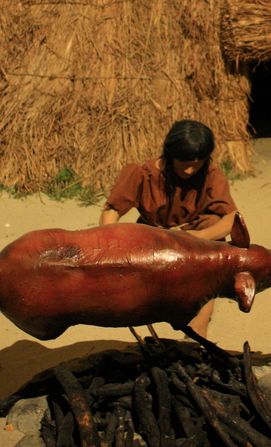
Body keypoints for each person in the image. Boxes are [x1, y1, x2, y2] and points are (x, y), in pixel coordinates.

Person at [99, 119, 238, 337]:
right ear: (169, 153)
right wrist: (112, 242)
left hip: (192, 237)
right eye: (184, 162)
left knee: (210, 254)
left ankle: (198, 329)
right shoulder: (141, 174)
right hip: (150, 236)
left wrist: (197, 236)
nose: (191, 169)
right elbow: (112, 210)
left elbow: (230, 217)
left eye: (198, 162)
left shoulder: (210, 174)